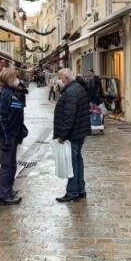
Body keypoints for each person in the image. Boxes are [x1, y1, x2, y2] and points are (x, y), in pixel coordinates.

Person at [53, 68, 91, 203]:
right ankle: (80, 189)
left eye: (60, 78)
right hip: (79, 132)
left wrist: (62, 135)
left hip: (73, 133)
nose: (59, 81)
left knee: (72, 162)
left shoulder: (71, 92)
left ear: (66, 78)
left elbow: (69, 116)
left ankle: (72, 192)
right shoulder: (77, 88)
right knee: (77, 160)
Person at [0, 67, 25, 205]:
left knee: (11, 165)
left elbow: (16, 115)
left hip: (13, 135)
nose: (17, 80)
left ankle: (9, 191)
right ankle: (4, 195)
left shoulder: (11, 92)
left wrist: (21, 131)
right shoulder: (5, 94)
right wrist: (6, 136)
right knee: (7, 165)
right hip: (8, 136)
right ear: (9, 79)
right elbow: (0, 117)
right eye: (15, 77)